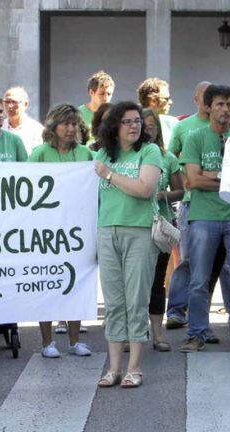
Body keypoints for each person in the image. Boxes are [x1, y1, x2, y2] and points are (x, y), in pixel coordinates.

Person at [178, 84, 230, 354]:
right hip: (204, 216)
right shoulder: (195, 137)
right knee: (199, 278)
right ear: (208, 107)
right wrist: (226, 180)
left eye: (228, 104)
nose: (225, 109)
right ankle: (197, 332)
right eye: (220, 104)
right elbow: (192, 180)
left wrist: (211, 177)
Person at [94, 101, 162, 388]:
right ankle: (113, 367)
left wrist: (109, 174)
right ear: (114, 127)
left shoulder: (150, 151)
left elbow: (145, 189)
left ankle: (134, 367)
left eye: (137, 121)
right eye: (127, 122)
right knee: (113, 301)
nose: (134, 126)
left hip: (139, 231)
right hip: (107, 231)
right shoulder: (101, 154)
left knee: (136, 299)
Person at [27, 104, 94, 358]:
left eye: (75, 124)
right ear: (53, 127)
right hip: (47, 230)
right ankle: (47, 342)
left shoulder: (86, 154)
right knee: (47, 282)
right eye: (66, 123)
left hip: (77, 229)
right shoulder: (40, 153)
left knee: (76, 283)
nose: (71, 128)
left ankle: (75, 341)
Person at [164, 81, 211, 330]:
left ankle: (201, 314)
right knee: (186, 259)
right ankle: (175, 311)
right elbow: (170, 157)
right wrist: (184, 177)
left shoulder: (224, 127)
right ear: (196, 98)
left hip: (217, 204)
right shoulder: (183, 126)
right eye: (204, 95)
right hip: (191, 203)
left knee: (219, 265)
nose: (208, 100)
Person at [142, 108, 183, 352]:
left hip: (160, 226)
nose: (148, 130)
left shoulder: (167, 158)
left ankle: (157, 335)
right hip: (135, 225)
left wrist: (163, 194)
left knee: (157, 281)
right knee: (134, 283)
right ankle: (132, 333)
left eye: (152, 126)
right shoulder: (130, 157)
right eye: (144, 125)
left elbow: (181, 191)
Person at [2, 86, 44, 154]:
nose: (10, 106)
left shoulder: (37, 130)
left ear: (25, 104)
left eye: (14, 102)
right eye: (7, 102)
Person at [137, 77, 178, 146]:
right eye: (166, 99)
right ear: (153, 100)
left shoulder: (172, 123)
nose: (170, 102)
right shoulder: (133, 124)